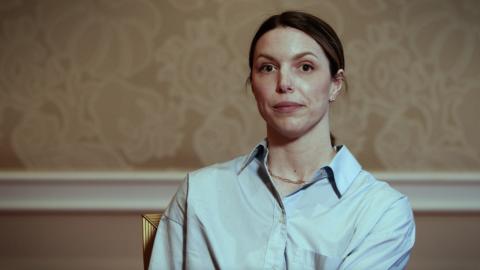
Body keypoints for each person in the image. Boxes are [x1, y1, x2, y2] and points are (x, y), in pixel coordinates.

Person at [149, 11, 415, 270]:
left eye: (305, 67)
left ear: (335, 83)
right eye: (267, 67)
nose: (284, 83)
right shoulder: (199, 192)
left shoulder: (383, 211)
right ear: (253, 84)